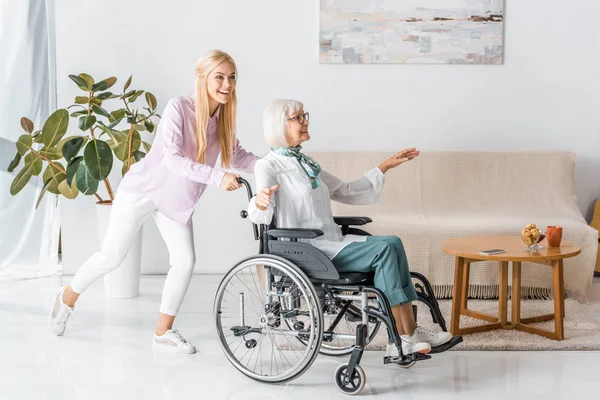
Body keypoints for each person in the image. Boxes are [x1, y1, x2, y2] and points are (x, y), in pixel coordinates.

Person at [50, 50, 260, 354]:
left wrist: (273, 163)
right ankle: (67, 297)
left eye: (232, 77)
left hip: (175, 203)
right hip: (143, 191)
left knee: (185, 261)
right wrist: (217, 177)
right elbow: (174, 159)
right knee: (111, 257)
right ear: (202, 78)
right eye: (220, 77)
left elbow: (238, 155)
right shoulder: (179, 107)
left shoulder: (223, 119)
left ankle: (163, 331)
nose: (227, 84)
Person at [247, 99, 452, 358]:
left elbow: (345, 190)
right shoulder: (267, 165)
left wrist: (385, 166)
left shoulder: (306, 163)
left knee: (393, 242)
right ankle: (402, 337)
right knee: (384, 250)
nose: (305, 121)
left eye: (304, 115)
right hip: (307, 248)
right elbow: (259, 214)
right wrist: (260, 201)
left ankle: (407, 333)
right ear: (279, 125)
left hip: (329, 242)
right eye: (298, 118)